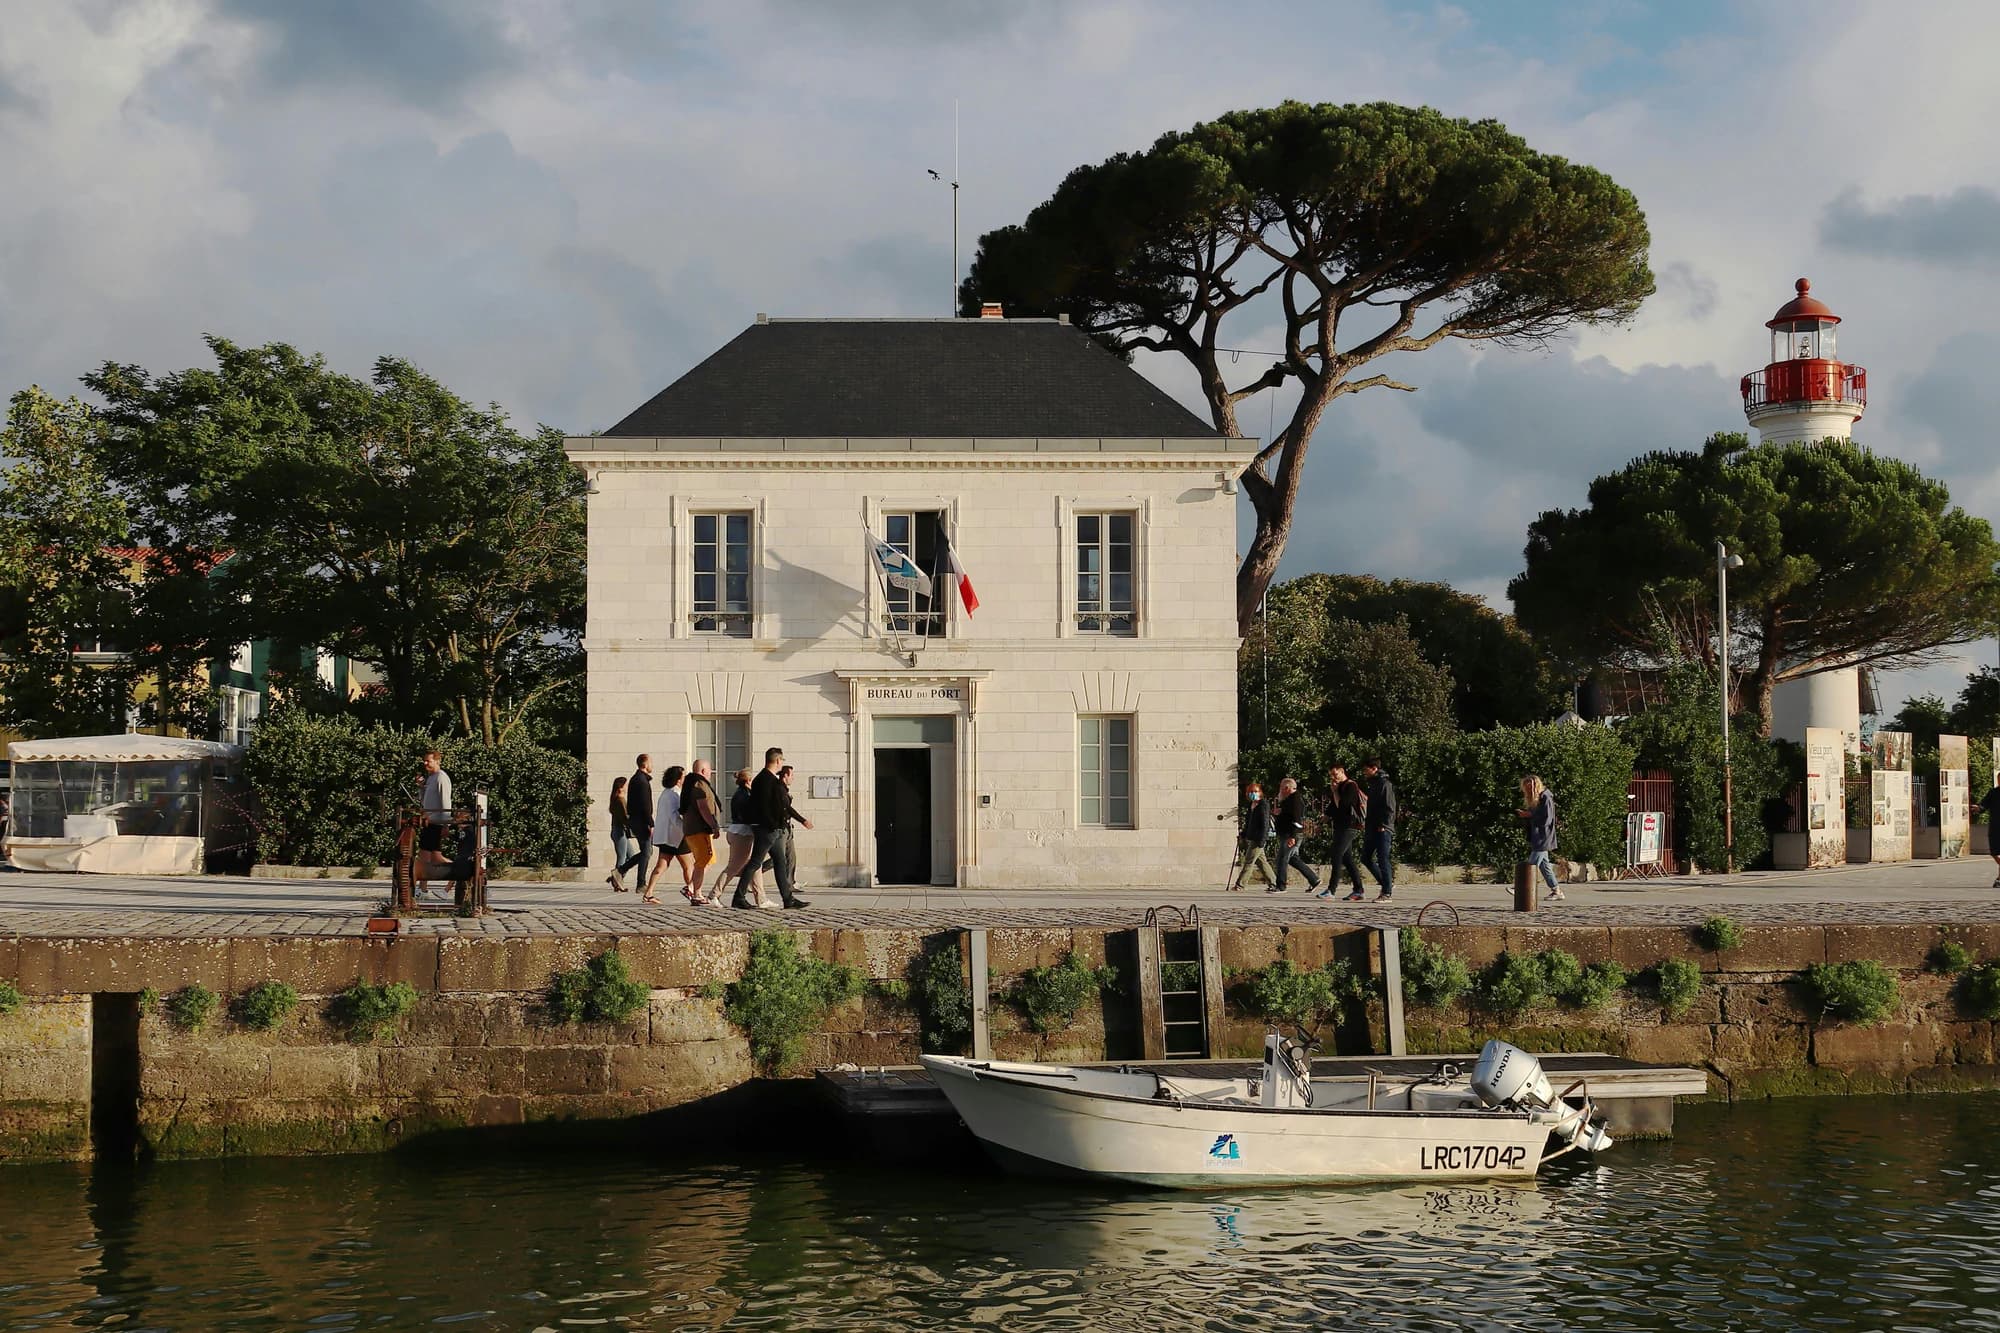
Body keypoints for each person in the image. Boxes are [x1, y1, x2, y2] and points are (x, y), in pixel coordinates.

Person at [735, 747, 809, 910]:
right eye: (781, 760)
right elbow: (767, 807)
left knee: (780, 862)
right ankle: (738, 896)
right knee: (755, 862)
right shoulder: (766, 780)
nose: (781, 763)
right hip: (767, 829)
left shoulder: (766, 779)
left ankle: (788, 899)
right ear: (777, 760)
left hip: (771, 828)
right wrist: (773, 824)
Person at [642, 765, 691, 904]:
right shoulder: (674, 794)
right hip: (675, 836)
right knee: (688, 866)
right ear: (678, 779)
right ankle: (692, 891)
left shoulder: (666, 793)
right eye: (683, 776)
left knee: (662, 865)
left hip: (666, 836)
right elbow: (674, 816)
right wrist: (685, 830)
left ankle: (649, 892)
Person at [716, 767, 764, 906]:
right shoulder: (744, 795)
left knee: (756, 865)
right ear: (749, 780)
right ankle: (714, 894)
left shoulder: (743, 793)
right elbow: (748, 815)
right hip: (741, 832)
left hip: (740, 831)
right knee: (734, 867)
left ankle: (760, 898)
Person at [679, 760, 723, 904]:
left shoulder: (695, 783)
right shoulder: (699, 785)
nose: (711, 772)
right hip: (699, 829)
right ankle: (696, 893)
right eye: (709, 769)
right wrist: (713, 825)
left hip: (698, 829)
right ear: (704, 771)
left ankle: (691, 887)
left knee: (709, 859)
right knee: (702, 860)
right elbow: (703, 807)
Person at [1323, 762, 1368, 901]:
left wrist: (1335, 792)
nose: (1333, 778)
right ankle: (1358, 890)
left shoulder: (1350, 786)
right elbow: (1333, 806)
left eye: (1335, 774)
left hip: (1350, 825)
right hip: (1340, 825)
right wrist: (1325, 817)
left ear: (1342, 771)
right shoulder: (1339, 787)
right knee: (1347, 859)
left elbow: (1343, 806)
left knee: (1336, 854)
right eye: (1331, 775)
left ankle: (1331, 890)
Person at [1270, 776, 1320, 895]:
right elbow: (1288, 815)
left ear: (1287, 788)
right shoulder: (1289, 799)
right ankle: (1314, 879)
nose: (1280, 790)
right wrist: (1280, 813)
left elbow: (1296, 819)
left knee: (1282, 859)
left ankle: (1281, 886)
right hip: (1288, 833)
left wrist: (1292, 836)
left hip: (1291, 834)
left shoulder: (1295, 799)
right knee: (1293, 859)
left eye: (1281, 788)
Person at [1520, 774, 1565, 902]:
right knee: (1544, 866)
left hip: (1544, 836)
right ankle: (1556, 890)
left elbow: (1547, 818)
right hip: (1539, 835)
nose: (1528, 791)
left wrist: (1530, 815)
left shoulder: (1546, 797)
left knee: (1532, 863)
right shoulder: (1540, 797)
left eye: (1529, 788)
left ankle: (1521, 886)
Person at [1359, 756, 1398, 902]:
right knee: (1365, 857)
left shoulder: (1384, 784)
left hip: (1382, 828)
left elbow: (1389, 807)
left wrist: (1384, 824)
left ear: (1374, 768)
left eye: (1366, 769)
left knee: (1383, 858)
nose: (1364, 772)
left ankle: (1386, 893)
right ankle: (1385, 882)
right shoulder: (1373, 784)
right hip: (1372, 826)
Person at [415, 750, 453, 899]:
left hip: (436, 822)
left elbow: (446, 801)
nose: (425, 764)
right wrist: (420, 786)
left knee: (430, 856)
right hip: (429, 821)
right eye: (424, 761)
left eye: (428, 761)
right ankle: (422, 889)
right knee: (429, 856)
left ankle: (458, 874)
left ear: (437, 762)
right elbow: (423, 800)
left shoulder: (441, 778)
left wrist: (445, 824)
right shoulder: (430, 778)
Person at [1230, 781, 1277, 890]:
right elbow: (1249, 822)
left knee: (1249, 861)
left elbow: (1265, 824)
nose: (1253, 793)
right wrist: (1243, 833)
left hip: (1258, 838)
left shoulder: (1263, 805)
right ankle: (1274, 883)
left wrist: (1262, 839)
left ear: (1260, 793)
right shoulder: (1251, 805)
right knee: (1261, 862)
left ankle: (1240, 884)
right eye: (1250, 792)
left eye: (1255, 791)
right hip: (1251, 837)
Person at [624, 755, 656, 894]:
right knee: (646, 851)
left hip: (637, 820)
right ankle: (640, 883)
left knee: (646, 851)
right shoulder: (641, 781)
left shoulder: (637, 779)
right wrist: (650, 823)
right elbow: (645, 805)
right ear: (645, 764)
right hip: (641, 821)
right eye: (651, 762)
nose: (652, 765)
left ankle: (620, 871)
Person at [605, 776, 634, 892]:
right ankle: (618, 882)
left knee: (631, 856)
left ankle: (615, 878)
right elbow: (625, 818)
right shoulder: (620, 800)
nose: (627, 787)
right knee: (622, 857)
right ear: (621, 786)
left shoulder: (617, 798)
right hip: (619, 831)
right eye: (626, 785)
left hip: (618, 831)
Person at [1981, 778, 2000, 888]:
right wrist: (1978, 808)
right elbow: (1984, 805)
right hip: (1995, 827)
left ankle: (1999, 879)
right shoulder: (1993, 793)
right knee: (1994, 852)